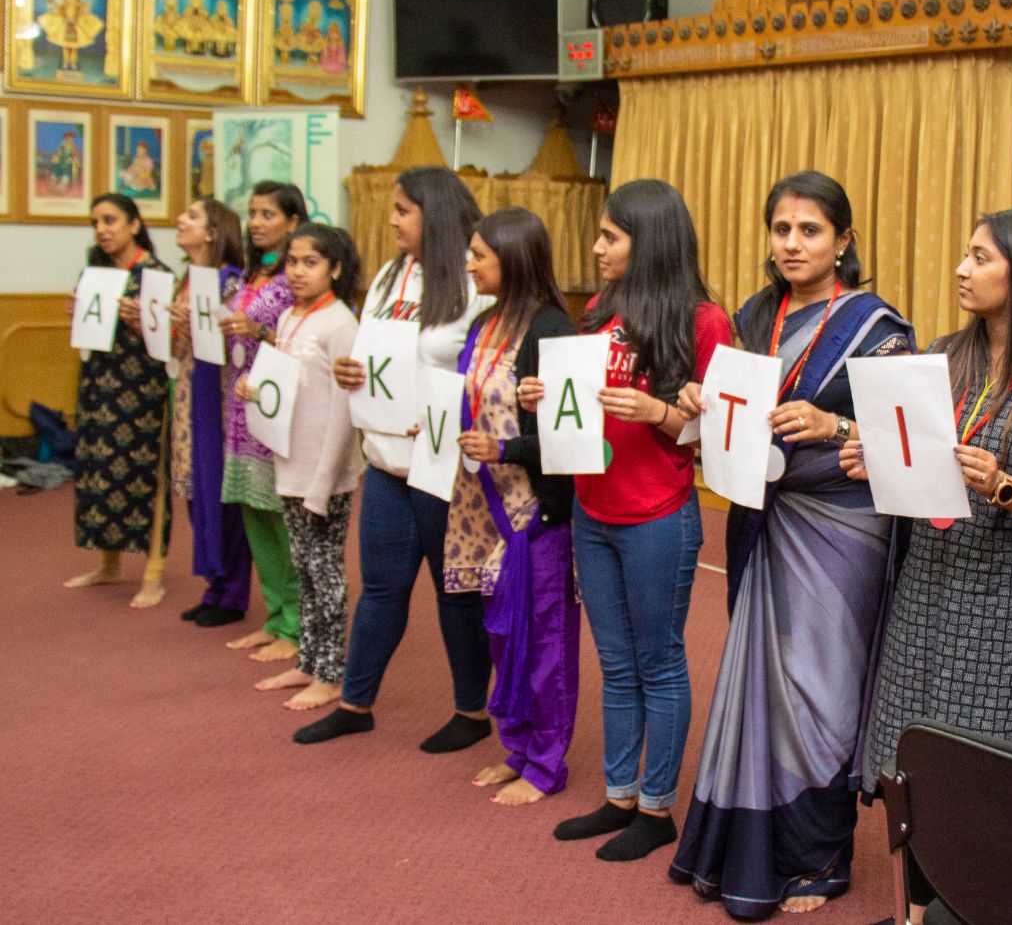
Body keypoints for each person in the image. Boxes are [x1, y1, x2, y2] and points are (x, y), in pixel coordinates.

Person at [846, 209, 1012, 924]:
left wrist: (1003, 486)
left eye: (980, 257)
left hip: (1009, 605)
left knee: (986, 779)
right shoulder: (945, 357)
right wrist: (877, 458)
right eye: (965, 254)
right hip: (929, 586)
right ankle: (916, 913)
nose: (962, 269)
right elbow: (917, 466)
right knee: (914, 768)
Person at [668, 171, 914, 917]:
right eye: (781, 229)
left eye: (810, 230)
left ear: (844, 240)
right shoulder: (755, 315)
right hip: (763, 517)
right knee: (761, 684)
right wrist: (697, 402)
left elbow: (908, 441)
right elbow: (734, 417)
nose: (793, 244)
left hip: (843, 530)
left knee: (821, 692)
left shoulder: (877, 328)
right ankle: (744, 846)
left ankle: (819, 853)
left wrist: (836, 425)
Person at [522, 179, 733, 862]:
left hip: (658, 515)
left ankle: (656, 807)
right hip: (593, 509)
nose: (596, 247)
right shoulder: (598, 309)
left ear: (649, 242)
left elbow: (719, 435)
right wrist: (544, 394)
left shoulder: (704, 320)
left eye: (610, 236)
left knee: (658, 661)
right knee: (615, 663)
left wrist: (659, 413)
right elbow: (579, 406)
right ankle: (618, 795)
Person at [294, 166, 494, 751]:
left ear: (435, 213)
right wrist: (347, 369)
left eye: (403, 209)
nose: (392, 220)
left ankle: (471, 712)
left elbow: (489, 370)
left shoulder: (474, 279)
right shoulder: (390, 274)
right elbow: (370, 353)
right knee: (380, 587)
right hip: (384, 459)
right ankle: (355, 705)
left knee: (454, 591)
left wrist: (451, 413)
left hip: (443, 465)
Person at [448, 208, 580, 807]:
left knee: (544, 640)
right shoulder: (484, 323)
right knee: (505, 636)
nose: (469, 264)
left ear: (514, 258)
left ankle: (546, 763)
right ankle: (519, 748)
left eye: (480, 254)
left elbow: (567, 435)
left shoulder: (551, 329)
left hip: (533, 511)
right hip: (481, 507)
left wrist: (503, 449)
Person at [241, 224, 363, 709]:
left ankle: (331, 673)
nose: (297, 271)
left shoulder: (340, 323)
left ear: (334, 268)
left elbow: (342, 410)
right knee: (304, 568)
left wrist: (323, 481)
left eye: (310, 262)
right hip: (289, 462)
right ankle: (308, 660)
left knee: (325, 572)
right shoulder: (290, 317)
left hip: (324, 473)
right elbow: (283, 384)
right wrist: (251, 388)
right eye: (292, 261)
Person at [65, 193, 172, 607]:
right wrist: (78, 314)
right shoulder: (96, 273)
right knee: (98, 471)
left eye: (110, 220)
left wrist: (140, 322)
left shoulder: (156, 275)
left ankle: (153, 574)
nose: (101, 230)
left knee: (143, 477)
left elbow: (168, 340)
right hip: (98, 383)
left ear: (134, 224)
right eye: (95, 223)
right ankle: (107, 564)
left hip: (142, 390)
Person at [217, 181, 304, 666]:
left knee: (281, 518)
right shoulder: (252, 273)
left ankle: (295, 624)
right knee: (254, 513)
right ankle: (274, 618)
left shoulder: (298, 277)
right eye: (252, 213)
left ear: (293, 222)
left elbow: (302, 341)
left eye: (268, 214)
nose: (255, 222)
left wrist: (260, 330)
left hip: (277, 406)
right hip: (240, 408)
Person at [167, 198, 252, 628]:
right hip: (187, 395)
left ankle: (233, 591)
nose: (180, 219)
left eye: (192, 216)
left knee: (223, 495)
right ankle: (214, 585)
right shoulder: (186, 280)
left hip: (218, 399)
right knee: (196, 492)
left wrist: (199, 324)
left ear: (214, 232)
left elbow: (236, 345)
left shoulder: (231, 281)